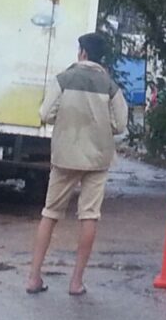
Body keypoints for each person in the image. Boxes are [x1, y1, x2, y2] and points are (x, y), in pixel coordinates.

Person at [26, 32, 128, 295]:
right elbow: (120, 124)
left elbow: (45, 113)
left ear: (82, 52)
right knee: (89, 216)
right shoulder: (110, 86)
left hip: (65, 156)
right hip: (97, 159)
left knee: (50, 213)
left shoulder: (64, 79)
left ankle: (34, 278)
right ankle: (76, 282)